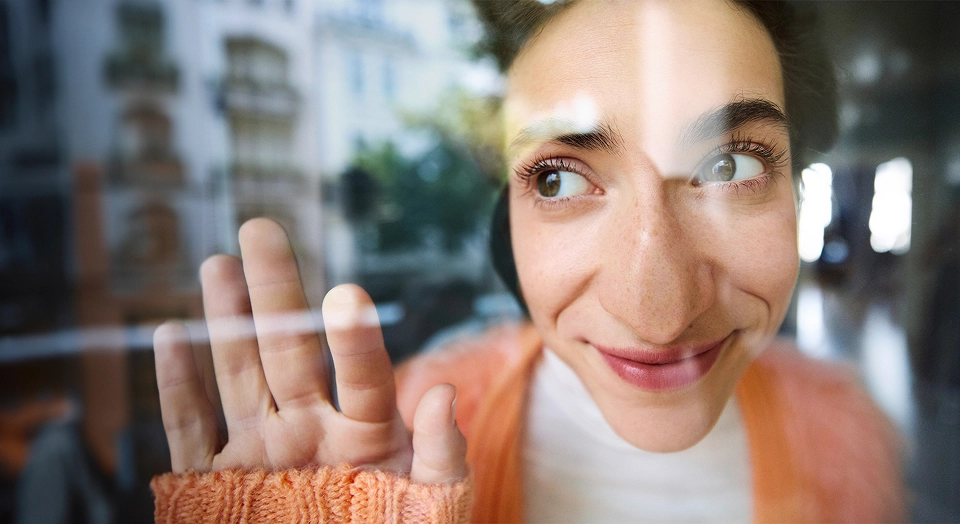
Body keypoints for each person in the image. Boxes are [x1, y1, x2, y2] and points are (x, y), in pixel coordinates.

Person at [151, 1, 906, 522]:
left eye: (731, 167)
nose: (662, 311)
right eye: (558, 179)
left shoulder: (847, 441)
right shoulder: (394, 441)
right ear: (503, 228)